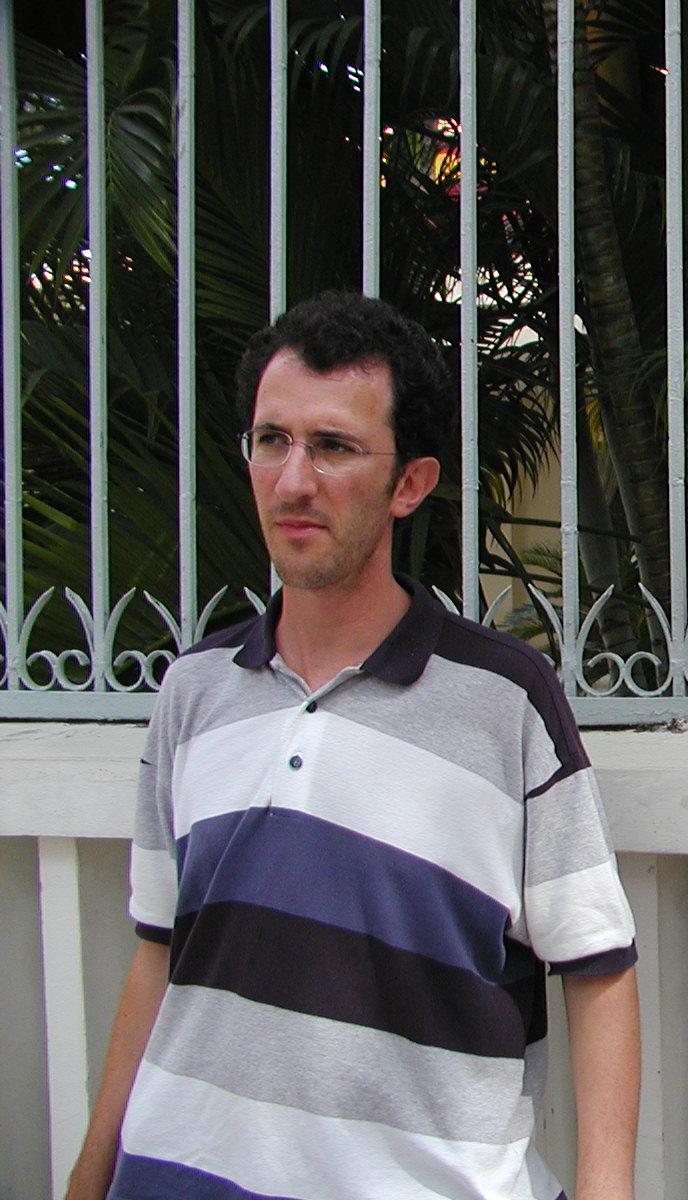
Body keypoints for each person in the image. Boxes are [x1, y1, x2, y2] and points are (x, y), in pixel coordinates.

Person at [65, 292, 641, 1200]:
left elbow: (597, 967)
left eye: (333, 447)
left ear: (409, 483)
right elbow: (159, 953)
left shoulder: (504, 702)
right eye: (272, 440)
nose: (293, 480)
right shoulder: (193, 693)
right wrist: (90, 1177)